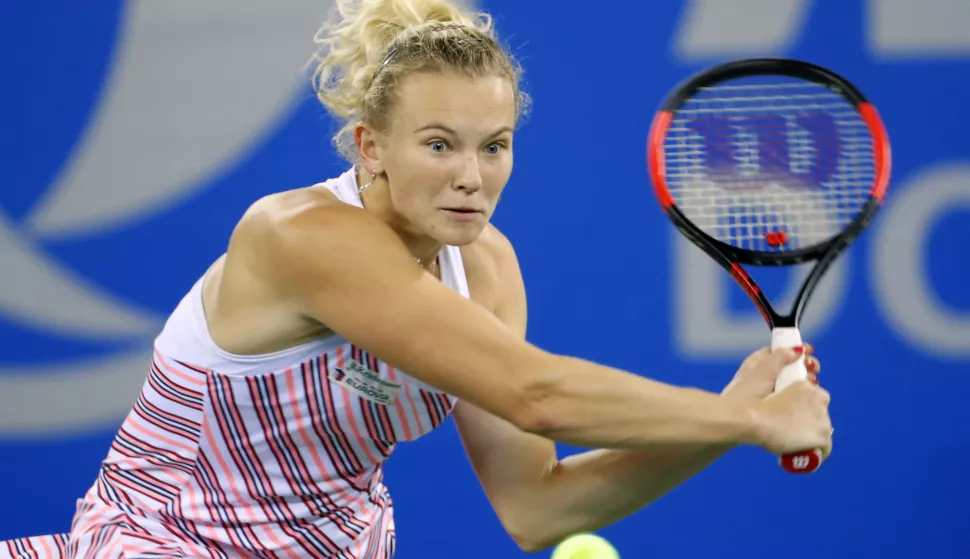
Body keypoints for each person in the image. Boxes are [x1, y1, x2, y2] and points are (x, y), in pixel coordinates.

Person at [1, 0, 832, 557]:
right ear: (371, 148)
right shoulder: (302, 237)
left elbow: (539, 505)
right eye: (438, 144)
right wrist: (745, 418)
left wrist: (731, 419)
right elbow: (535, 392)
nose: (472, 175)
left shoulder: (490, 269)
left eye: (494, 144)